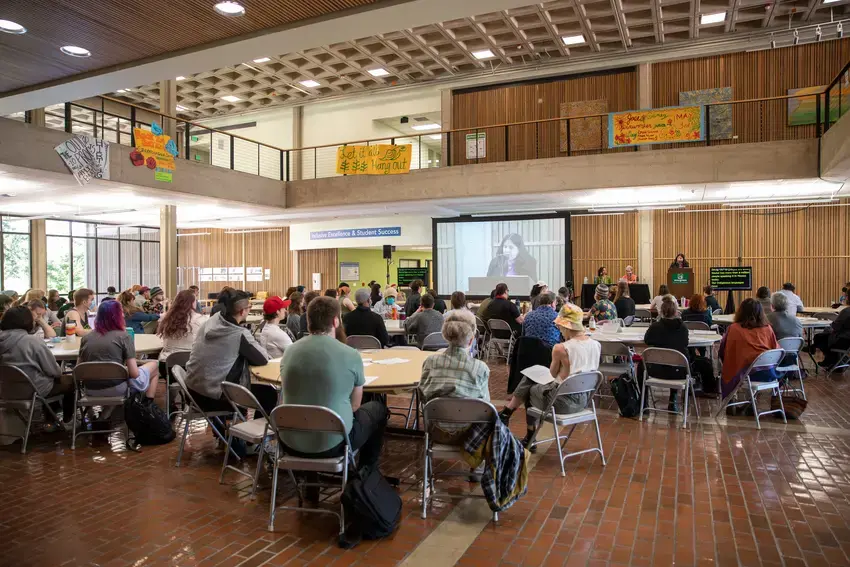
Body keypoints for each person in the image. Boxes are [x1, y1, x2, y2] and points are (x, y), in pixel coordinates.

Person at [279, 296, 388, 471]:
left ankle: (309, 479)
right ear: (336, 321)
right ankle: (367, 469)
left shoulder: (289, 351)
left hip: (289, 440)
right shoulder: (350, 354)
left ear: (308, 321)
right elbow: (355, 405)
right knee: (378, 408)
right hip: (334, 442)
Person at [499, 303, 600, 450]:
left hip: (561, 403)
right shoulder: (596, 345)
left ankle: (527, 434)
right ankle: (509, 415)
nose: (558, 329)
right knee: (533, 378)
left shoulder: (561, 348)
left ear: (566, 326)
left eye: (559, 326)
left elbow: (553, 374)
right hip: (584, 400)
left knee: (530, 389)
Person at [184, 290, 277, 413]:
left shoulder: (210, 322)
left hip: (191, 392)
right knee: (269, 394)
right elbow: (262, 359)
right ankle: (258, 430)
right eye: (249, 307)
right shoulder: (239, 334)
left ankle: (220, 431)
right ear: (243, 311)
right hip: (215, 397)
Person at [419, 309, 490, 443]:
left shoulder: (430, 362)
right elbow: (485, 406)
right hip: (471, 436)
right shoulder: (480, 368)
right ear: (471, 340)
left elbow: (423, 397)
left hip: (436, 432)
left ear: (446, 335)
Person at [0, 306, 75, 426]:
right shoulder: (32, 341)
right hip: (33, 391)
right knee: (69, 381)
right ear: (27, 321)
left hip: (5, 390)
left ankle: (51, 418)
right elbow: (55, 371)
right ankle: (67, 421)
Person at [79, 300, 160, 401]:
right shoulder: (124, 336)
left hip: (89, 389)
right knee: (155, 365)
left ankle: (102, 415)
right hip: (118, 388)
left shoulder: (86, 338)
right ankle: (148, 404)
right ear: (117, 316)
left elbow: (80, 369)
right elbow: (134, 374)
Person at [718, 298, 779, 401]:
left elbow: (724, 351)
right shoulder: (768, 328)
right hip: (769, 372)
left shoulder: (734, 328)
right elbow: (776, 349)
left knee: (733, 363)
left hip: (745, 374)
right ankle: (751, 400)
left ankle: (733, 398)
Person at [644, 296, 690, 411]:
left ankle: (643, 401)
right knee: (677, 360)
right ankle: (673, 398)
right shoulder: (683, 328)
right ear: (676, 311)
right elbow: (685, 343)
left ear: (661, 311)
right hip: (679, 372)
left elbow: (647, 341)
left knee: (641, 366)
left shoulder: (655, 327)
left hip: (656, 370)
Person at [157, 289, 205, 368]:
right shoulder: (201, 320)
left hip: (167, 364)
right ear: (192, 303)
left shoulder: (165, 318)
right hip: (191, 364)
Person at [812, 294, 850, 368]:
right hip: (847, 340)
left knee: (819, 337)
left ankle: (830, 360)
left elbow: (835, 326)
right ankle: (836, 361)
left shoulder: (846, 311)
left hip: (845, 341)